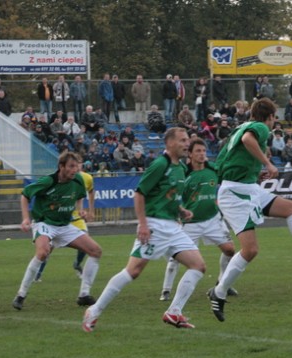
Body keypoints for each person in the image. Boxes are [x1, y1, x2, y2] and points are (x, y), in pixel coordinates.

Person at [206, 98, 292, 322]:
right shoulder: (258, 127)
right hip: (236, 193)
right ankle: (219, 291)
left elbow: (227, 161)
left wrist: (253, 173)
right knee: (249, 250)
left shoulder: (238, 127)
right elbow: (249, 139)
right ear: (270, 117)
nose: (273, 124)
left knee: (291, 208)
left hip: (243, 187)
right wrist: (268, 164)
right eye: (273, 119)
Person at [82, 128, 206, 332]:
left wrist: (181, 210)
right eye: (183, 140)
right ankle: (94, 311)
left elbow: (168, 195)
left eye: (188, 140)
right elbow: (139, 194)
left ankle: (174, 311)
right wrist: (143, 224)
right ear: (170, 144)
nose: (187, 144)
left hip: (173, 227)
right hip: (155, 225)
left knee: (198, 266)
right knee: (133, 271)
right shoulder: (160, 165)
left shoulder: (181, 168)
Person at [13, 152, 102, 310]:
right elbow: (25, 195)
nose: (75, 170)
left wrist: (81, 210)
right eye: (71, 166)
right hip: (44, 223)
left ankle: (84, 295)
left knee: (96, 251)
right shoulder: (48, 181)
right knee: (42, 253)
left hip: (64, 225)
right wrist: (26, 218)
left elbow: (80, 195)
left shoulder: (78, 180)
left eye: (76, 166)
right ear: (61, 167)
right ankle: (21, 294)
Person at [160, 138, 238, 301]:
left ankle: (222, 284)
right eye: (198, 151)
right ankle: (166, 290)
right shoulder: (184, 172)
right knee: (177, 257)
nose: (202, 154)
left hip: (213, 220)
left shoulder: (213, 169)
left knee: (230, 250)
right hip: (191, 224)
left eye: (204, 151)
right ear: (189, 154)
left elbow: (231, 175)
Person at [35, 163, 96, 282]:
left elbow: (91, 192)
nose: (75, 167)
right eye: (72, 164)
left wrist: (90, 210)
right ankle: (38, 273)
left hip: (76, 217)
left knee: (87, 244)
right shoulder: (59, 178)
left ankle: (77, 264)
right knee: (48, 248)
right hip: (58, 219)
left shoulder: (86, 178)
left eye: (78, 163)